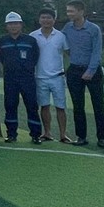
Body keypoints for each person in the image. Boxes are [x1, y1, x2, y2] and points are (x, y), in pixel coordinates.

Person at [63, 0, 104, 149]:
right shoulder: (67, 28)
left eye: (72, 11)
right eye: (68, 11)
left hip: (93, 71)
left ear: (81, 11)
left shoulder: (93, 29)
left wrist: (90, 70)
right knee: (78, 106)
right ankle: (81, 136)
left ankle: (102, 138)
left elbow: (97, 52)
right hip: (74, 70)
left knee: (98, 105)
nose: (69, 14)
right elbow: (64, 46)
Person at [0, 11, 43, 144]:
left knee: (32, 105)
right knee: (10, 105)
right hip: (10, 78)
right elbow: (1, 58)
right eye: (10, 24)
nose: (13, 26)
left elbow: (35, 57)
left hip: (27, 78)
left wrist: (27, 68)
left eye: (16, 23)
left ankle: (35, 134)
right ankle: (11, 134)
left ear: (21, 24)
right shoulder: (2, 41)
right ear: (6, 26)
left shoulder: (30, 40)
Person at [30, 8, 72, 143]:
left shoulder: (61, 36)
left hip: (58, 77)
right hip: (40, 77)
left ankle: (63, 134)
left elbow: (68, 53)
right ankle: (47, 132)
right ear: (39, 20)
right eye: (43, 17)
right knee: (44, 106)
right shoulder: (33, 36)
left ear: (54, 20)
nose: (46, 20)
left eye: (49, 18)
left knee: (60, 107)